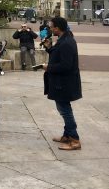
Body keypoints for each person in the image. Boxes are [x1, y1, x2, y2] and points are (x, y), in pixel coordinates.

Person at [43, 17, 82, 151]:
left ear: (57, 28)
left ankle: (75, 139)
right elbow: (58, 55)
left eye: (51, 27)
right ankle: (67, 135)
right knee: (64, 109)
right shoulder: (63, 39)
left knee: (65, 111)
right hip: (61, 82)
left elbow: (66, 65)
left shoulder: (67, 42)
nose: (50, 29)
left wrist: (48, 67)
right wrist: (49, 48)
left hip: (64, 83)